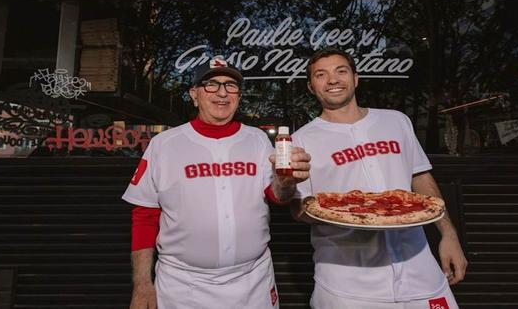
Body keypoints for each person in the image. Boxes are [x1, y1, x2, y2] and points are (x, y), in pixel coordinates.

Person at [122, 59, 311, 309]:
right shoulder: (164, 145)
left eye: (231, 85)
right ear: (194, 95)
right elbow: (144, 216)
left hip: (252, 282)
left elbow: (278, 196)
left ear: (239, 96)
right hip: (183, 286)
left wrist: (286, 182)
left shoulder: (257, 140)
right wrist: (142, 285)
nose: (222, 93)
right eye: (211, 84)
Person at [291, 47, 467, 309]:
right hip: (347, 283)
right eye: (321, 74)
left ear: (356, 78)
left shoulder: (396, 121)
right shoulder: (301, 140)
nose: (333, 80)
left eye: (341, 71)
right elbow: (300, 208)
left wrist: (449, 234)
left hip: (420, 271)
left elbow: (421, 179)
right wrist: (342, 212)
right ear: (311, 86)